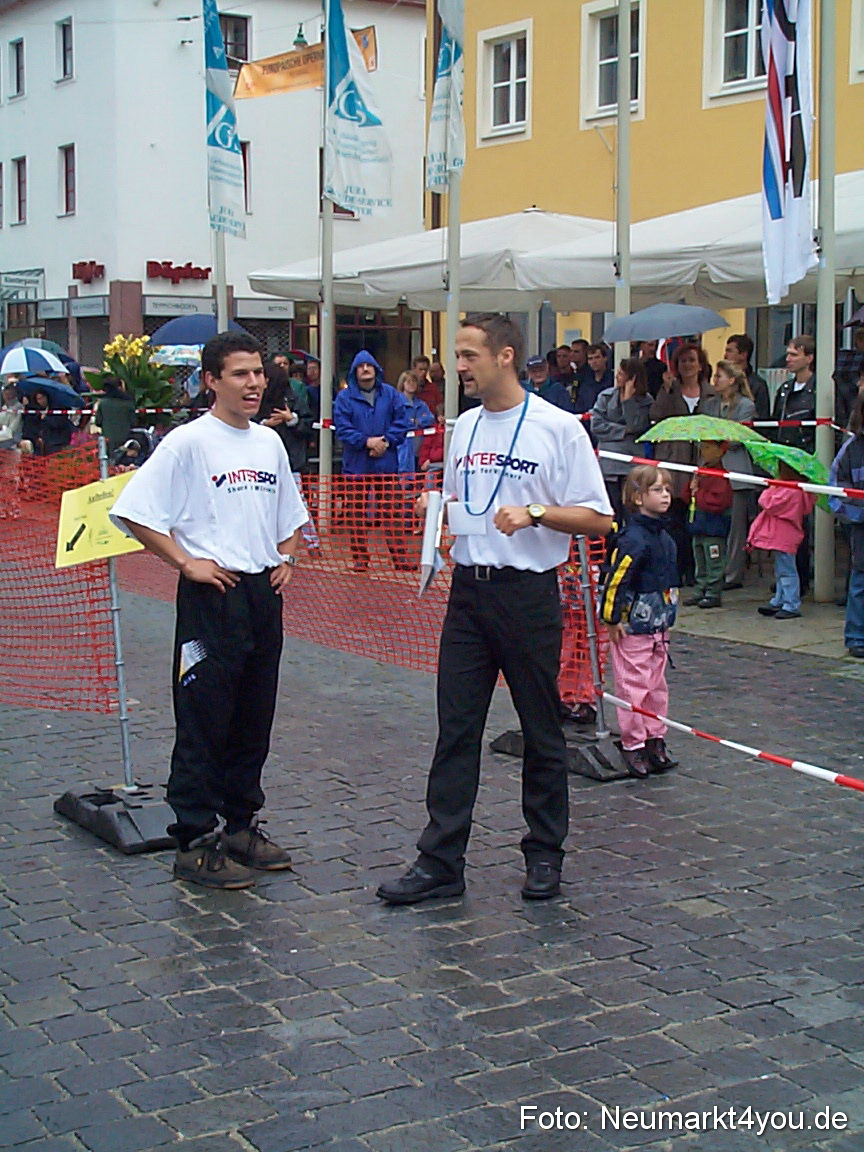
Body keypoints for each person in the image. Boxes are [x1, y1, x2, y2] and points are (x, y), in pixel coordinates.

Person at [376, 313, 613, 906]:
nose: (458, 367)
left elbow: (599, 517)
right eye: (456, 356)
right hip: (468, 594)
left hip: (527, 596)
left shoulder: (557, 428)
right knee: (456, 729)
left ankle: (545, 852)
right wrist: (441, 515)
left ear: (505, 356)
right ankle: (441, 860)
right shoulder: (466, 428)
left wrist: (536, 514)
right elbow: (467, 503)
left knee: (541, 728)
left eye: (468, 355)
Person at [109, 330, 310, 890]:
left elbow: (289, 514)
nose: (254, 384)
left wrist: (288, 555)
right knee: (204, 716)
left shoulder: (268, 443)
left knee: (254, 715)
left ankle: (241, 825)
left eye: (259, 373)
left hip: (261, 597)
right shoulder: (187, 443)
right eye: (240, 374)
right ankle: (194, 838)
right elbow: (134, 512)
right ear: (211, 381)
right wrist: (185, 562)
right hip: (213, 598)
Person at [600, 465, 679, 779]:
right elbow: (615, 580)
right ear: (637, 497)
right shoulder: (633, 539)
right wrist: (612, 617)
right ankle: (633, 743)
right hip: (633, 626)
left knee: (656, 686)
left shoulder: (664, 537)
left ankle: (655, 737)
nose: (665, 496)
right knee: (633, 686)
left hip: (658, 625)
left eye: (667, 489)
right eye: (657, 490)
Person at [332, 350, 412, 572]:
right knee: (356, 513)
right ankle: (360, 557)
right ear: (354, 372)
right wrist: (367, 442)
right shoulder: (344, 398)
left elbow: (401, 422)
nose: (365, 369)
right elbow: (343, 428)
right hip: (356, 465)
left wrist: (385, 442)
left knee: (393, 511)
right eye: (360, 366)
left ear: (376, 369)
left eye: (369, 365)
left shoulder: (391, 394)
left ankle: (399, 556)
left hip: (386, 464)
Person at [650, 343, 715, 583]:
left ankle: (697, 571)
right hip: (673, 458)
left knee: (698, 520)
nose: (687, 365)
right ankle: (675, 569)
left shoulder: (710, 392)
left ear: (701, 365)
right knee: (674, 519)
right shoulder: (670, 390)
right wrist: (666, 390)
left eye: (691, 360)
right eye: (683, 361)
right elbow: (655, 416)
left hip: (700, 458)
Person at [699, 360, 757, 590]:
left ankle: (732, 574)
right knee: (710, 524)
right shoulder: (710, 405)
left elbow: (738, 438)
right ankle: (710, 572)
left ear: (732, 380)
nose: (715, 381)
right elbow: (705, 433)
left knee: (736, 528)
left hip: (736, 471)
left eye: (719, 376)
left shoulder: (746, 405)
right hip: (712, 469)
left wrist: (719, 437)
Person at [256, 361, 319, 552]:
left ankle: (312, 542)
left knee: (298, 502)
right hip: (261, 462)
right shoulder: (254, 399)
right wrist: (263, 425)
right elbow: (244, 423)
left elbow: (307, 424)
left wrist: (291, 419)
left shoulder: (292, 398)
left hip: (291, 461)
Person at [749, 462, 816, 620]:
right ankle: (779, 599)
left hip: (784, 536)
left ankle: (791, 604)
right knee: (781, 570)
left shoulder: (791, 490)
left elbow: (769, 503)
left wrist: (771, 489)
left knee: (787, 571)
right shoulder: (798, 490)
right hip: (784, 536)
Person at [591, 356, 653, 521]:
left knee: (632, 512)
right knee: (611, 513)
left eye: (621, 374)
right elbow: (597, 426)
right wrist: (624, 431)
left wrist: (628, 402)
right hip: (609, 464)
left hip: (632, 465)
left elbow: (637, 425)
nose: (617, 377)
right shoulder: (605, 396)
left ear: (632, 378)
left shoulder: (646, 401)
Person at [830, 394, 864, 657]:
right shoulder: (851, 450)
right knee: (860, 580)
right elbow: (836, 490)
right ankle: (856, 636)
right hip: (861, 526)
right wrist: (858, 512)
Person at [684, 440, 733, 609]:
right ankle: (700, 589)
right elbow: (687, 497)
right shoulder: (701, 472)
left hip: (713, 527)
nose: (703, 452)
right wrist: (690, 488)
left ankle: (713, 593)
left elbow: (718, 502)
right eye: (702, 448)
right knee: (700, 561)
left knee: (714, 561)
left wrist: (698, 493)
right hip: (698, 525)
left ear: (720, 451)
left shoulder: (721, 476)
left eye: (707, 448)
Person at [395, 370, 435, 474]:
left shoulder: (421, 404)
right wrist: (415, 422)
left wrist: (417, 421)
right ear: (402, 384)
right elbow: (400, 422)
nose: (412, 384)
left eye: (414, 382)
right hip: (403, 447)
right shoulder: (396, 402)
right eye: (408, 382)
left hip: (420, 447)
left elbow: (430, 418)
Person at [724, 334, 770, 420]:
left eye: (729, 351)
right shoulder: (723, 381)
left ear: (743, 355)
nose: (725, 355)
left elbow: (762, 418)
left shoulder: (758, 385)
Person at [21, 387, 73, 456]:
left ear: (46, 397)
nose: (39, 401)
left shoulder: (57, 408)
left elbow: (58, 423)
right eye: (38, 399)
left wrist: (46, 418)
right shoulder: (39, 410)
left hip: (57, 441)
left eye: (41, 398)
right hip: (44, 441)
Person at [94, 377, 137, 455]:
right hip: (125, 440)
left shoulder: (103, 403)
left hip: (107, 441)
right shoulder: (128, 404)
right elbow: (133, 422)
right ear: (120, 387)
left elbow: (98, 422)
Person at [575, 343, 613, 415]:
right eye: (590, 359)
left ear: (605, 358)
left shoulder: (613, 379)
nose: (594, 361)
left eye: (597, 357)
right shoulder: (585, 382)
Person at [0, 383, 24, 449]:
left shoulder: (18, 408)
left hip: (13, 439)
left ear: (14, 394)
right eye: (5, 394)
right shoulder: (4, 407)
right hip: (3, 435)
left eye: (9, 394)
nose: (7, 396)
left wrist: (2, 426)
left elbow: (13, 428)